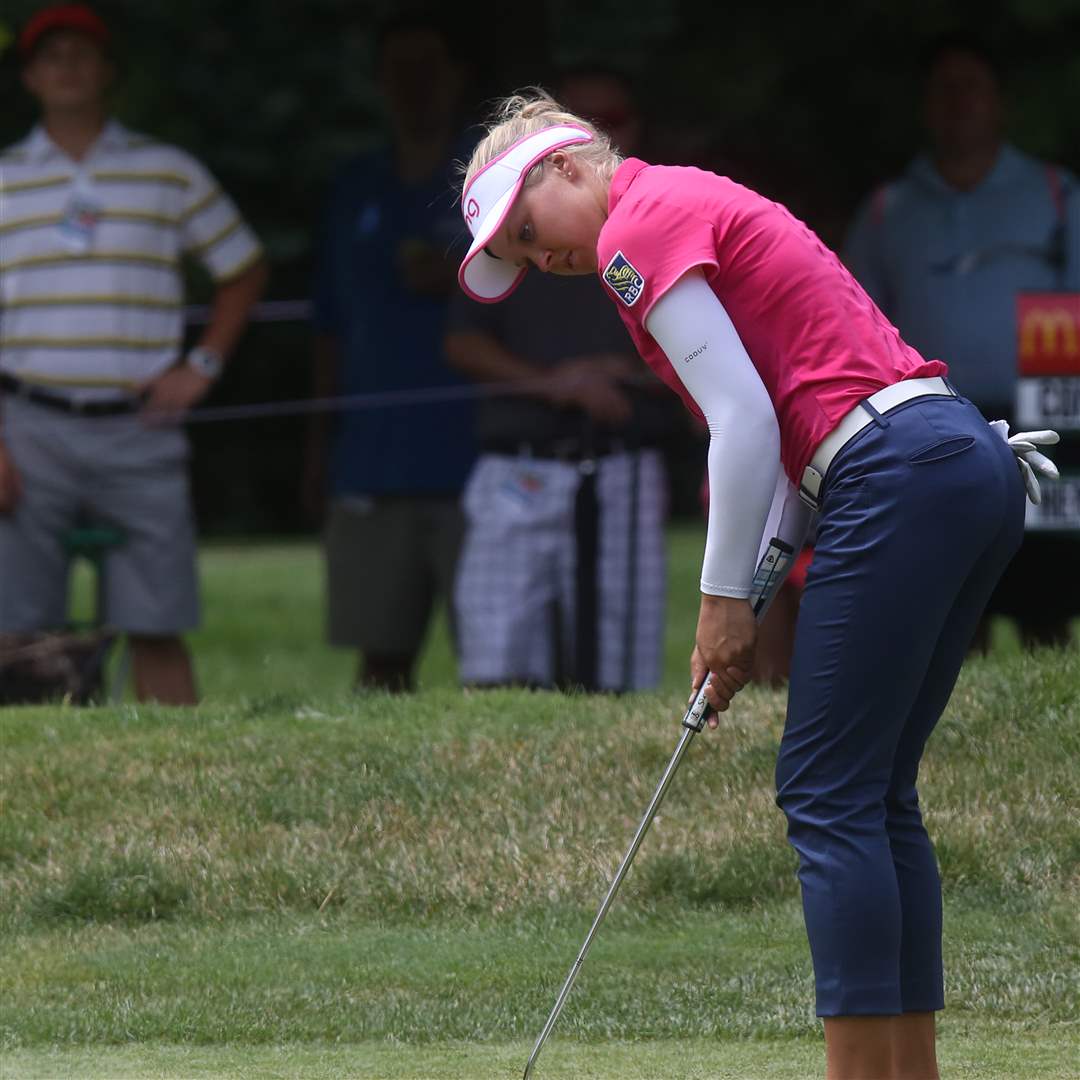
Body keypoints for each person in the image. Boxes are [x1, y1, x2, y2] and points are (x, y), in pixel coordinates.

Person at [454, 91, 1056, 1079]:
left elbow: (740, 423)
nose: (538, 258)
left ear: (569, 167)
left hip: (899, 468)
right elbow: (779, 458)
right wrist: (742, 601)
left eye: (527, 229)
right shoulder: (670, 211)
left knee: (826, 795)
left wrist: (722, 606)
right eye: (518, 258)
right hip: (951, 461)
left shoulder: (635, 226)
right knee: (870, 794)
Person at [0, 3, 267, 705]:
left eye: (81, 53)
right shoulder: (3, 178)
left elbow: (243, 267)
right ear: (29, 76)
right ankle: (33, 773)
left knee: (157, 619)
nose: (67, 68)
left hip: (140, 423)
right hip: (26, 423)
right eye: (51, 56)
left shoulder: (166, 171)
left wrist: (201, 365)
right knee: (17, 624)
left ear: (108, 71)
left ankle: (177, 774)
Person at [445, 68, 682, 691]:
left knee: (618, 662)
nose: (543, 261)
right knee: (494, 660)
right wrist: (555, 383)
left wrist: (624, 374)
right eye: (521, 248)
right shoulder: (534, 237)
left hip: (624, 457)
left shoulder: (655, 228)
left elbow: (703, 348)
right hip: (521, 459)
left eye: (618, 116)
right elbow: (463, 340)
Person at [844, 35, 1079, 648]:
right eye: (944, 89)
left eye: (972, 86)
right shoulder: (886, 211)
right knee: (947, 584)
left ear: (998, 101)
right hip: (933, 419)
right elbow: (854, 321)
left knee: (1045, 588)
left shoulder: (1055, 194)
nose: (959, 102)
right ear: (925, 105)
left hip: (1044, 415)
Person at [306, 15, 475, 692]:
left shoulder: (489, 180)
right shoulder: (355, 187)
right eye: (399, 69)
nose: (415, 85)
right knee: (379, 658)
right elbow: (328, 326)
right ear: (379, 83)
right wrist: (319, 446)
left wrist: (463, 274)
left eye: (428, 66)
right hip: (372, 454)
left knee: (495, 660)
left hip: (480, 453)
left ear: (458, 77)